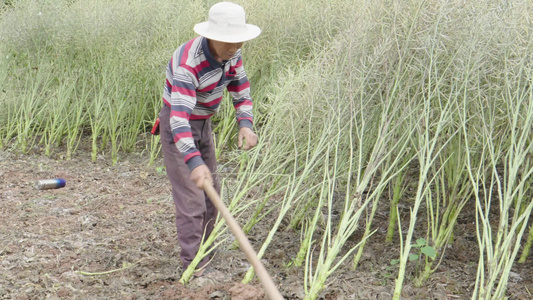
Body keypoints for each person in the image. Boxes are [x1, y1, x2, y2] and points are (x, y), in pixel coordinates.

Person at [157, 2, 261, 275]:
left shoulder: (232, 53)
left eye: (239, 40)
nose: (235, 46)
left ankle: (206, 252)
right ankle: (194, 267)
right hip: (178, 125)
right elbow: (179, 120)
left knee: (212, 193)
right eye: (228, 41)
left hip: (203, 124)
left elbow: (241, 87)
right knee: (192, 200)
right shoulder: (187, 63)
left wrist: (245, 124)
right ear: (211, 35)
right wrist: (193, 162)